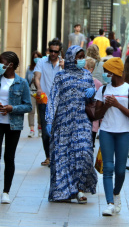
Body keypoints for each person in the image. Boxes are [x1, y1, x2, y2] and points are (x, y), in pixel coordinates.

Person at [46, 45, 97, 203]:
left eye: (82, 57)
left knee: (84, 154)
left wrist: (92, 92)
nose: (81, 60)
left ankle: (81, 189)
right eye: (78, 57)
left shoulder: (87, 76)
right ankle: (65, 191)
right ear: (70, 58)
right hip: (63, 122)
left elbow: (93, 101)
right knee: (63, 156)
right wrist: (49, 119)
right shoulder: (60, 77)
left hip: (82, 121)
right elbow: (53, 98)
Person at [0, 51, 32, 204]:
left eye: (1, 61)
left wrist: (12, 108)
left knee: (9, 157)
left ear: (10, 65)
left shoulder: (22, 83)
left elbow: (28, 106)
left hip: (14, 125)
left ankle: (6, 192)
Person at [95, 57, 129, 216]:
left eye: (107, 72)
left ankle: (116, 192)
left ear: (115, 73)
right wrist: (106, 106)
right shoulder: (103, 90)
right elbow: (96, 115)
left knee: (120, 170)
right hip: (106, 131)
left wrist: (117, 105)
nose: (105, 75)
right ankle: (110, 203)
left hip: (123, 133)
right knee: (108, 168)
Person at [34, 38, 64, 167]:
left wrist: (64, 68)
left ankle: (57, 156)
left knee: (59, 131)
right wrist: (39, 88)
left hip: (60, 103)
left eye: (55, 52)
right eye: (51, 51)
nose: (53, 54)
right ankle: (48, 156)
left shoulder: (64, 64)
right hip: (45, 102)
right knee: (46, 133)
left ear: (59, 52)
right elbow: (36, 77)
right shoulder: (41, 62)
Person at [85, 57, 103, 148]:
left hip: (92, 119)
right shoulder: (77, 81)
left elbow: (100, 103)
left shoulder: (98, 84)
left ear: (90, 70)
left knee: (90, 146)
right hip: (80, 120)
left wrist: (101, 121)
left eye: (84, 68)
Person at [25, 50, 42, 138]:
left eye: (38, 57)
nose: (36, 59)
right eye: (35, 57)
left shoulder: (43, 67)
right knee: (31, 111)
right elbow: (25, 81)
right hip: (31, 92)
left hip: (40, 93)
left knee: (40, 111)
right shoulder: (29, 68)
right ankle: (31, 129)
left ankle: (40, 128)